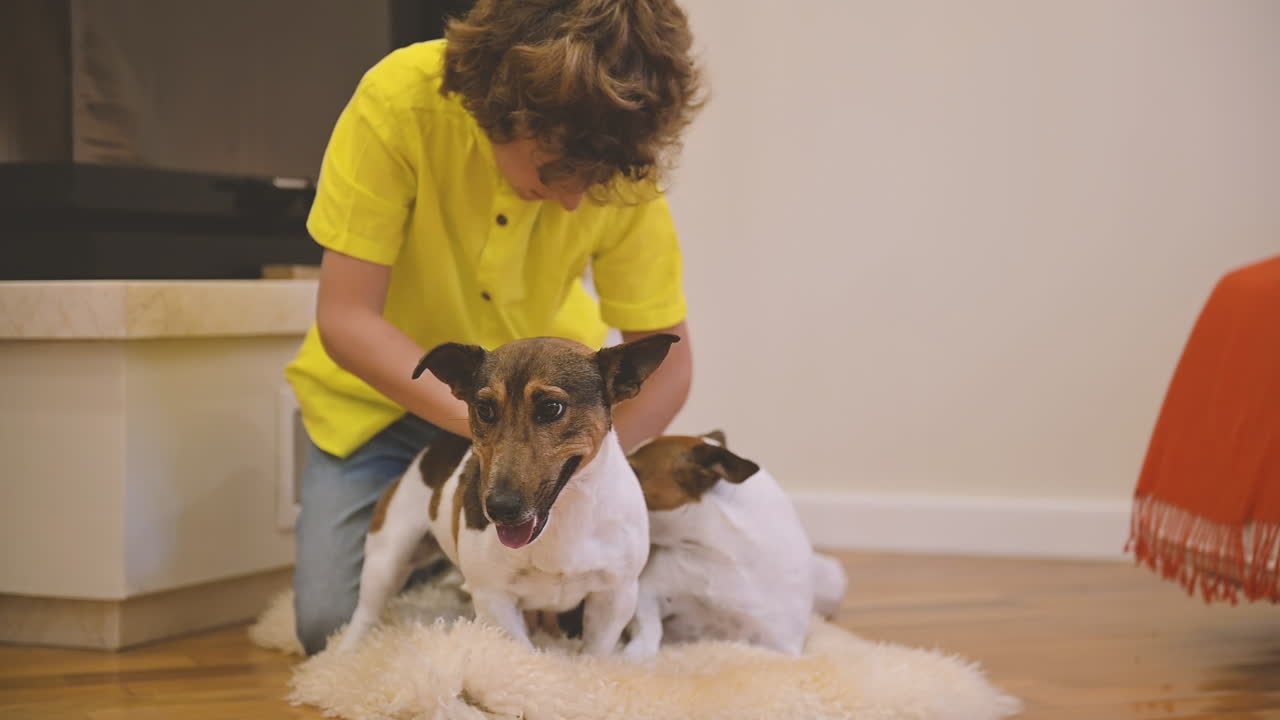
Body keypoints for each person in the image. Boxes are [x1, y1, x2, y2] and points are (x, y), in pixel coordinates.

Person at [284, 0, 705, 655]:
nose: (574, 199)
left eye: (591, 182)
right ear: (503, 109)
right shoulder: (398, 103)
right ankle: (452, 552)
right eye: (556, 170)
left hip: (550, 415)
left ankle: (470, 563)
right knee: (329, 629)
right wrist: (499, 442)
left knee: (585, 599)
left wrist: (582, 464)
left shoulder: (618, 164)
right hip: (375, 408)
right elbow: (345, 318)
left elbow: (670, 366)